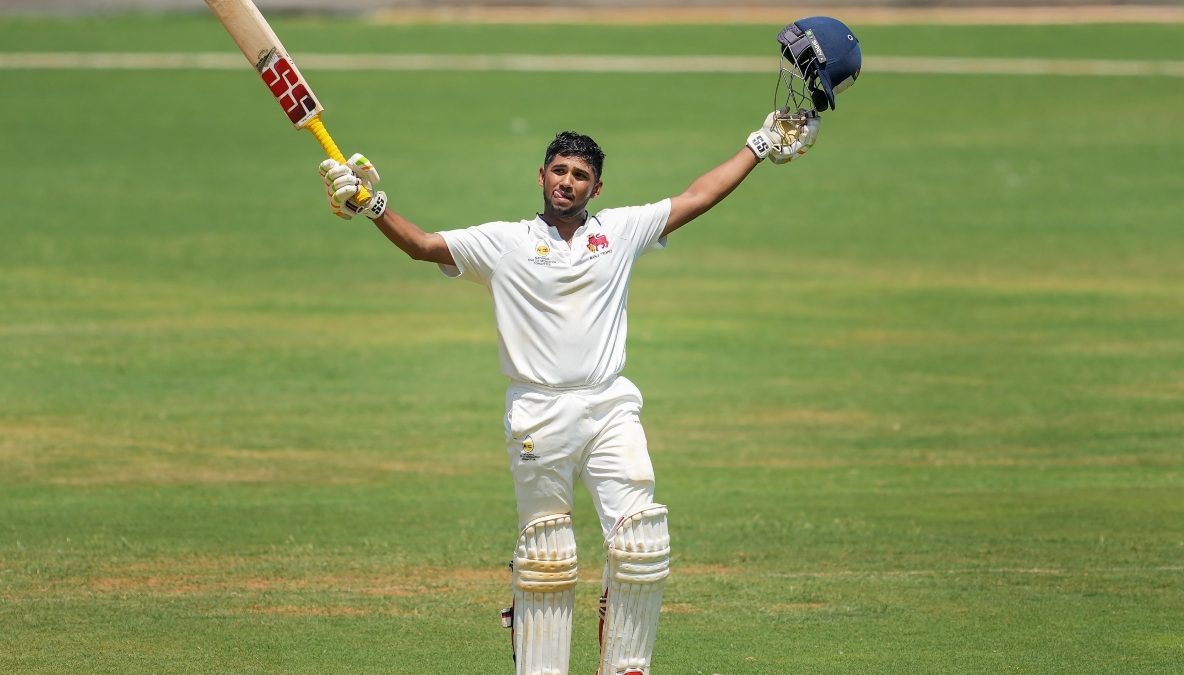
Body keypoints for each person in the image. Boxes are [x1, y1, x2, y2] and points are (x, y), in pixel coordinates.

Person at [318, 111, 813, 673]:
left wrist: (759, 143)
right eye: (559, 170)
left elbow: (698, 196)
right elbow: (423, 245)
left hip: (609, 406)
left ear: (595, 188)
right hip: (537, 411)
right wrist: (371, 204)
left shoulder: (621, 232)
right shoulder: (503, 243)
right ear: (541, 176)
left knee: (641, 541)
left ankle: (626, 666)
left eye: (580, 174)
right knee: (547, 557)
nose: (567, 181)